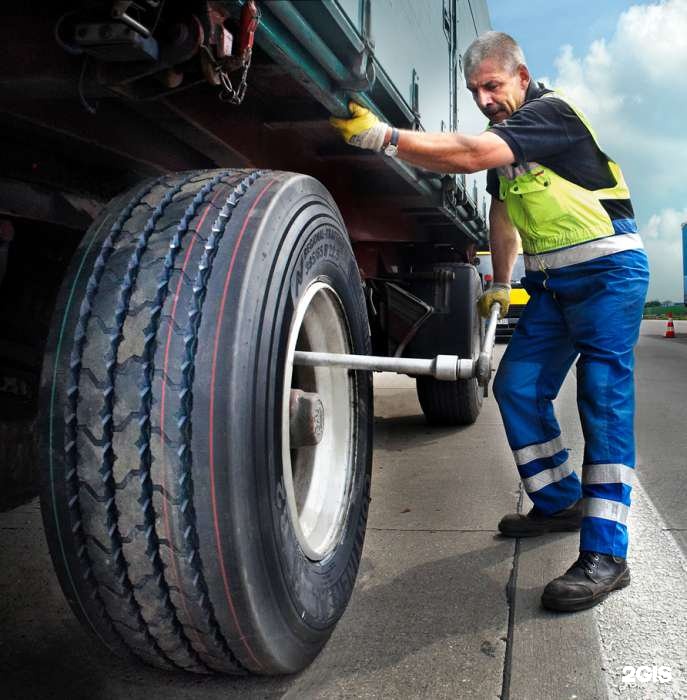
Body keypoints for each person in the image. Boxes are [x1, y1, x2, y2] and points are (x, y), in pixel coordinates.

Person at [330, 31, 649, 612]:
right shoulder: (509, 155)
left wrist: (386, 137)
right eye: (475, 90)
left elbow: (473, 152)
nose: (484, 100)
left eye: (493, 86)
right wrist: (501, 284)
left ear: (522, 78)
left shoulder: (551, 114)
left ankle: (607, 553)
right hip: (553, 287)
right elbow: (503, 220)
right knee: (516, 386)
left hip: (608, 276)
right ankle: (559, 502)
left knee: (602, 399)